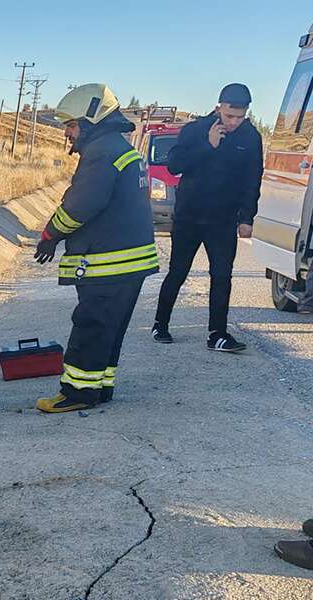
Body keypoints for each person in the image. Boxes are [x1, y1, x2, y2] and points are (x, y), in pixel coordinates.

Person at [34, 84, 159, 413]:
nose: (69, 135)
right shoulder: (120, 148)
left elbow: (80, 205)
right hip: (130, 262)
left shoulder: (102, 152)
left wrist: (50, 234)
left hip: (109, 263)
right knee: (109, 329)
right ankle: (98, 387)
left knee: (91, 325)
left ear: (90, 121)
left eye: (72, 126)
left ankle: (77, 392)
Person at [152, 83, 263, 352]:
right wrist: (208, 145)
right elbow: (175, 164)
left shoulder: (250, 138)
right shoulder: (195, 130)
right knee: (178, 271)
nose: (235, 122)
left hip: (223, 219)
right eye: (229, 116)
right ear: (218, 108)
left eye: (240, 116)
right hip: (189, 217)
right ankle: (160, 323)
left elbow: (252, 180)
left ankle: (218, 334)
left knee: (222, 275)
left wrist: (246, 217)